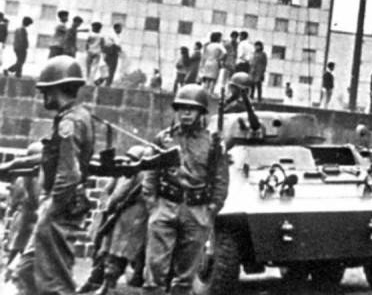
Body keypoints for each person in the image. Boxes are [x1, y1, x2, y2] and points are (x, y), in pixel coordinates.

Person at [14, 56, 94, 295]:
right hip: (58, 205)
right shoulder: (73, 116)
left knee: (55, 282)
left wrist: (51, 207)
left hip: (59, 207)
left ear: (56, 90)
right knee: (26, 271)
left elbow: (69, 174)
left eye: (46, 91)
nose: (44, 97)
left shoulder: (70, 122)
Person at [142, 84, 229, 295]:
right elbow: (150, 173)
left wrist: (211, 210)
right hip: (165, 205)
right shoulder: (164, 139)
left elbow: (221, 180)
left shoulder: (213, 143)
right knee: (154, 271)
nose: (186, 113)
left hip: (196, 210)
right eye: (182, 108)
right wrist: (152, 203)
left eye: (192, 109)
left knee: (186, 275)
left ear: (200, 112)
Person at [78, 146, 149, 294]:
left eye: (133, 159)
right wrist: (108, 206)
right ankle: (95, 281)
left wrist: (112, 204)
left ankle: (107, 286)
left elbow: (122, 193)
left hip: (129, 217)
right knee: (103, 251)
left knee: (117, 254)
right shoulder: (122, 172)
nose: (129, 161)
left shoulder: (140, 175)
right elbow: (110, 190)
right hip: (113, 216)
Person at [5, 142, 41, 279]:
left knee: (18, 246)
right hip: (27, 217)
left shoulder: (20, 178)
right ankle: (12, 275)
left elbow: (13, 201)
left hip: (23, 217)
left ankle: (10, 274)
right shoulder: (32, 178)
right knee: (22, 247)